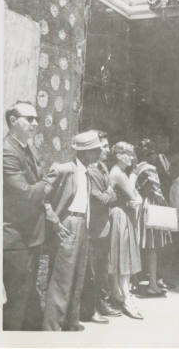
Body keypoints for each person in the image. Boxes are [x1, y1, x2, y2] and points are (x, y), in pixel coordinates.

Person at [42, 130, 104, 331]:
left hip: (83, 225)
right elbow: (42, 198)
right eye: (95, 151)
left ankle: (71, 322)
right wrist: (55, 222)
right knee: (62, 279)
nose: (98, 155)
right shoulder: (64, 170)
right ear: (85, 153)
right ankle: (52, 328)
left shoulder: (88, 173)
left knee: (78, 277)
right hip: (68, 224)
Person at [3, 101, 52, 330]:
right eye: (29, 119)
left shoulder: (28, 147)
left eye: (36, 119)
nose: (34, 123)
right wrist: (47, 184)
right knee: (16, 303)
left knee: (28, 300)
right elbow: (25, 193)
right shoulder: (7, 151)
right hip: (16, 240)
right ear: (13, 120)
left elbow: (35, 183)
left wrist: (40, 185)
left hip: (32, 236)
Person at [80, 131, 122, 324]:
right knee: (93, 271)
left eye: (105, 146)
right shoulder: (90, 170)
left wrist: (109, 193)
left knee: (102, 268)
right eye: (103, 147)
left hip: (104, 225)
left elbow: (109, 197)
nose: (106, 150)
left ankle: (101, 303)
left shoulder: (103, 167)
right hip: (93, 228)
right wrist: (110, 191)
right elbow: (101, 198)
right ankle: (91, 309)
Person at [108, 142, 143, 319]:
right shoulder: (119, 174)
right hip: (121, 216)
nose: (132, 157)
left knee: (117, 257)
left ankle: (117, 294)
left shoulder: (116, 171)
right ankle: (127, 299)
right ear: (119, 155)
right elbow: (134, 195)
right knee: (124, 257)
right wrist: (135, 175)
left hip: (117, 214)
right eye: (128, 154)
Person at [135, 138, 172, 297]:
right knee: (152, 248)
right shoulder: (150, 168)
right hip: (151, 206)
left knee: (139, 246)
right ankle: (152, 284)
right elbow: (157, 192)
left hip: (140, 206)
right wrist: (166, 205)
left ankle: (136, 282)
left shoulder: (137, 168)